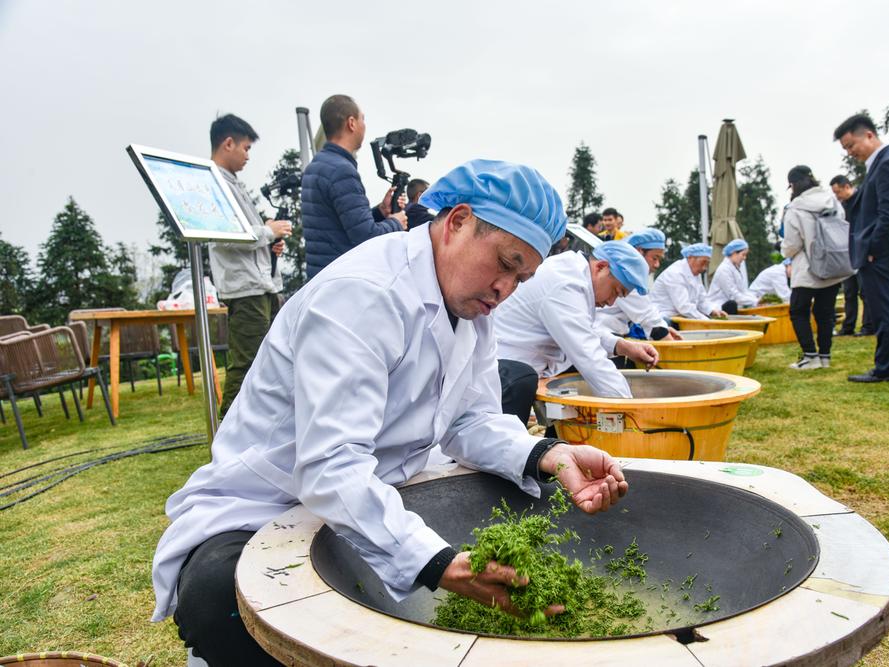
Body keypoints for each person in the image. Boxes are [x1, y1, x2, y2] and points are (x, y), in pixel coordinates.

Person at [151, 160, 631, 664]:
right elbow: (330, 465)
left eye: (521, 277)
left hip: (373, 491)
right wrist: (442, 564)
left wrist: (549, 454)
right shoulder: (364, 295)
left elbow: (471, 419)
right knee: (218, 596)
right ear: (458, 221)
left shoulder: (471, 309)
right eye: (506, 263)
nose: (505, 289)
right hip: (268, 505)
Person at [205, 114, 293, 417]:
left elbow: (246, 236)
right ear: (227, 143)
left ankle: (258, 426)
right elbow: (227, 234)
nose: (247, 156)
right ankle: (227, 435)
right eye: (245, 147)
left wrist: (270, 246)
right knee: (247, 364)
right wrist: (269, 231)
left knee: (269, 361)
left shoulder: (233, 183)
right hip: (245, 290)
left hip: (261, 284)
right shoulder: (215, 183)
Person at [493, 240, 659, 402]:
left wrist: (622, 346)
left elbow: (582, 330)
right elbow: (588, 356)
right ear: (601, 267)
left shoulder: (575, 273)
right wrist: (629, 407)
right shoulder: (566, 284)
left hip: (525, 371)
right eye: (615, 291)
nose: (611, 302)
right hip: (507, 378)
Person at [834, 114, 889, 382]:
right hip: (879, 250)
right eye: (845, 149)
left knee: (885, 310)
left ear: (868, 135)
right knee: (886, 309)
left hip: (880, 251)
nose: (850, 152)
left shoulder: (888, 163)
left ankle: (885, 368)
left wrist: (872, 248)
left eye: (850, 145)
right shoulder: (881, 163)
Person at [301, 94, 407, 279]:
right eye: (362, 119)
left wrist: (380, 211)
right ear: (351, 123)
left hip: (321, 277)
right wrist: (396, 223)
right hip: (340, 280)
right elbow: (366, 237)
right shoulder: (341, 170)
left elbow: (339, 225)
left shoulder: (317, 165)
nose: (364, 125)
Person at [780, 166, 844, 369]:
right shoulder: (831, 200)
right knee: (825, 313)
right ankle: (825, 356)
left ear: (793, 185)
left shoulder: (795, 208)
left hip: (806, 268)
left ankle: (810, 356)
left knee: (799, 311)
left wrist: (784, 252)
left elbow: (791, 243)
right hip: (833, 265)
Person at [594, 228, 682, 341]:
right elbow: (648, 319)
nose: (657, 265)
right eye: (654, 258)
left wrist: (663, 327)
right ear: (639, 252)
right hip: (604, 335)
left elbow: (648, 313)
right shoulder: (626, 274)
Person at [829, 175, 868, 336]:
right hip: (847, 252)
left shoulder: (863, 200)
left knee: (865, 291)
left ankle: (868, 325)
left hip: (861, 250)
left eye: (838, 192)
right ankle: (848, 326)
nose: (837, 196)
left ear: (846, 187)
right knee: (849, 291)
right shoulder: (841, 207)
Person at [650, 243, 727, 321]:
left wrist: (712, 311)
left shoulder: (696, 273)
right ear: (690, 258)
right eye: (703, 262)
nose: (705, 268)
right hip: (665, 317)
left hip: (682, 316)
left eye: (707, 264)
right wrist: (706, 320)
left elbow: (701, 299)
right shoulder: (675, 273)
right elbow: (684, 307)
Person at [707, 238, 759, 314]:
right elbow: (733, 295)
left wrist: (756, 299)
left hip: (731, 306)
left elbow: (742, 291)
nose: (744, 258)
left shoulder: (735, 268)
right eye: (743, 255)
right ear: (734, 253)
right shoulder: (724, 269)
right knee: (732, 304)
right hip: (719, 307)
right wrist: (755, 301)